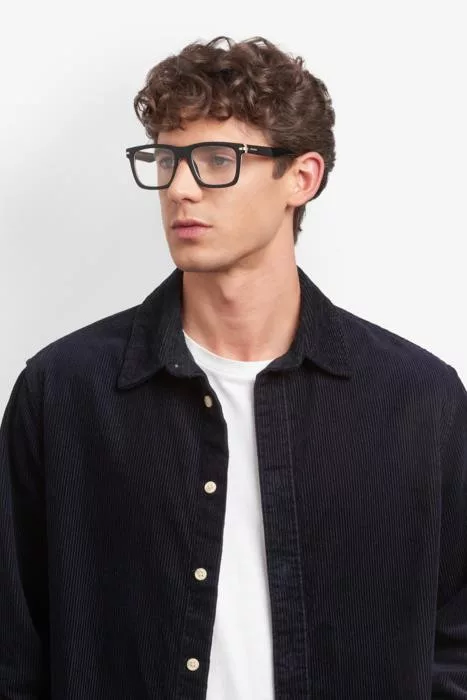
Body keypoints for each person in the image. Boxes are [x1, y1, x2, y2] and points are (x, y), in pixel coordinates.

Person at [0, 34, 466, 700]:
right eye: (166, 159)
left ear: (301, 178)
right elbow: (15, 652)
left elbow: (456, 642)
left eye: (217, 159)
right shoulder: (65, 393)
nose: (179, 188)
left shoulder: (418, 400)